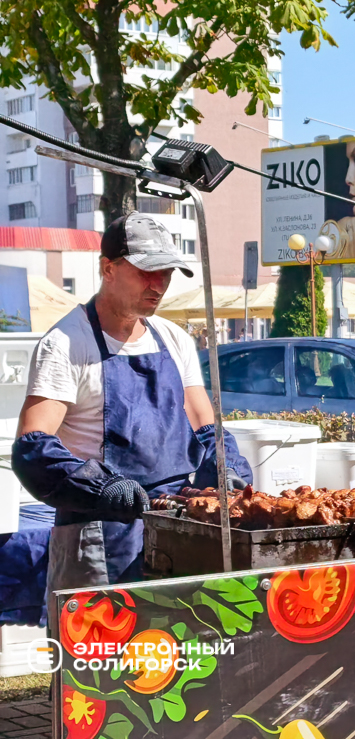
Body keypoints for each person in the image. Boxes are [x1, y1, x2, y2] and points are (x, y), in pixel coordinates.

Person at [11, 213, 253, 594]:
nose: (159, 285)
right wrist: (100, 488)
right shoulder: (66, 344)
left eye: (167, 274)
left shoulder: (174, 340)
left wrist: (227, 471)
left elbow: (206, 428)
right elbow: (32, 447)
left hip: (176, 530)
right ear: (108, 268)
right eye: (147, 272)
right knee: (104, 650)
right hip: (98, 536)